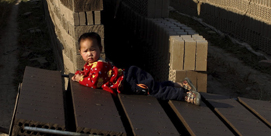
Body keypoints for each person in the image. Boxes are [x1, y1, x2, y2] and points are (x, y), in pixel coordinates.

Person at [71, 32, 201, 105]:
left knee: (155, 91)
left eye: (93, 50)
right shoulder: (91, 65)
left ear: (100, 49)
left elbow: (93, 82)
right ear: (80, 52)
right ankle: (179, 85)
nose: (89, 54)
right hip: (129, 76)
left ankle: (185, 95)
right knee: (154, 85)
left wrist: (79, 78)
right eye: (85, 51)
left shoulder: (99, 65)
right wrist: (79, 74)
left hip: (130, 81)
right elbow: (86, 72)